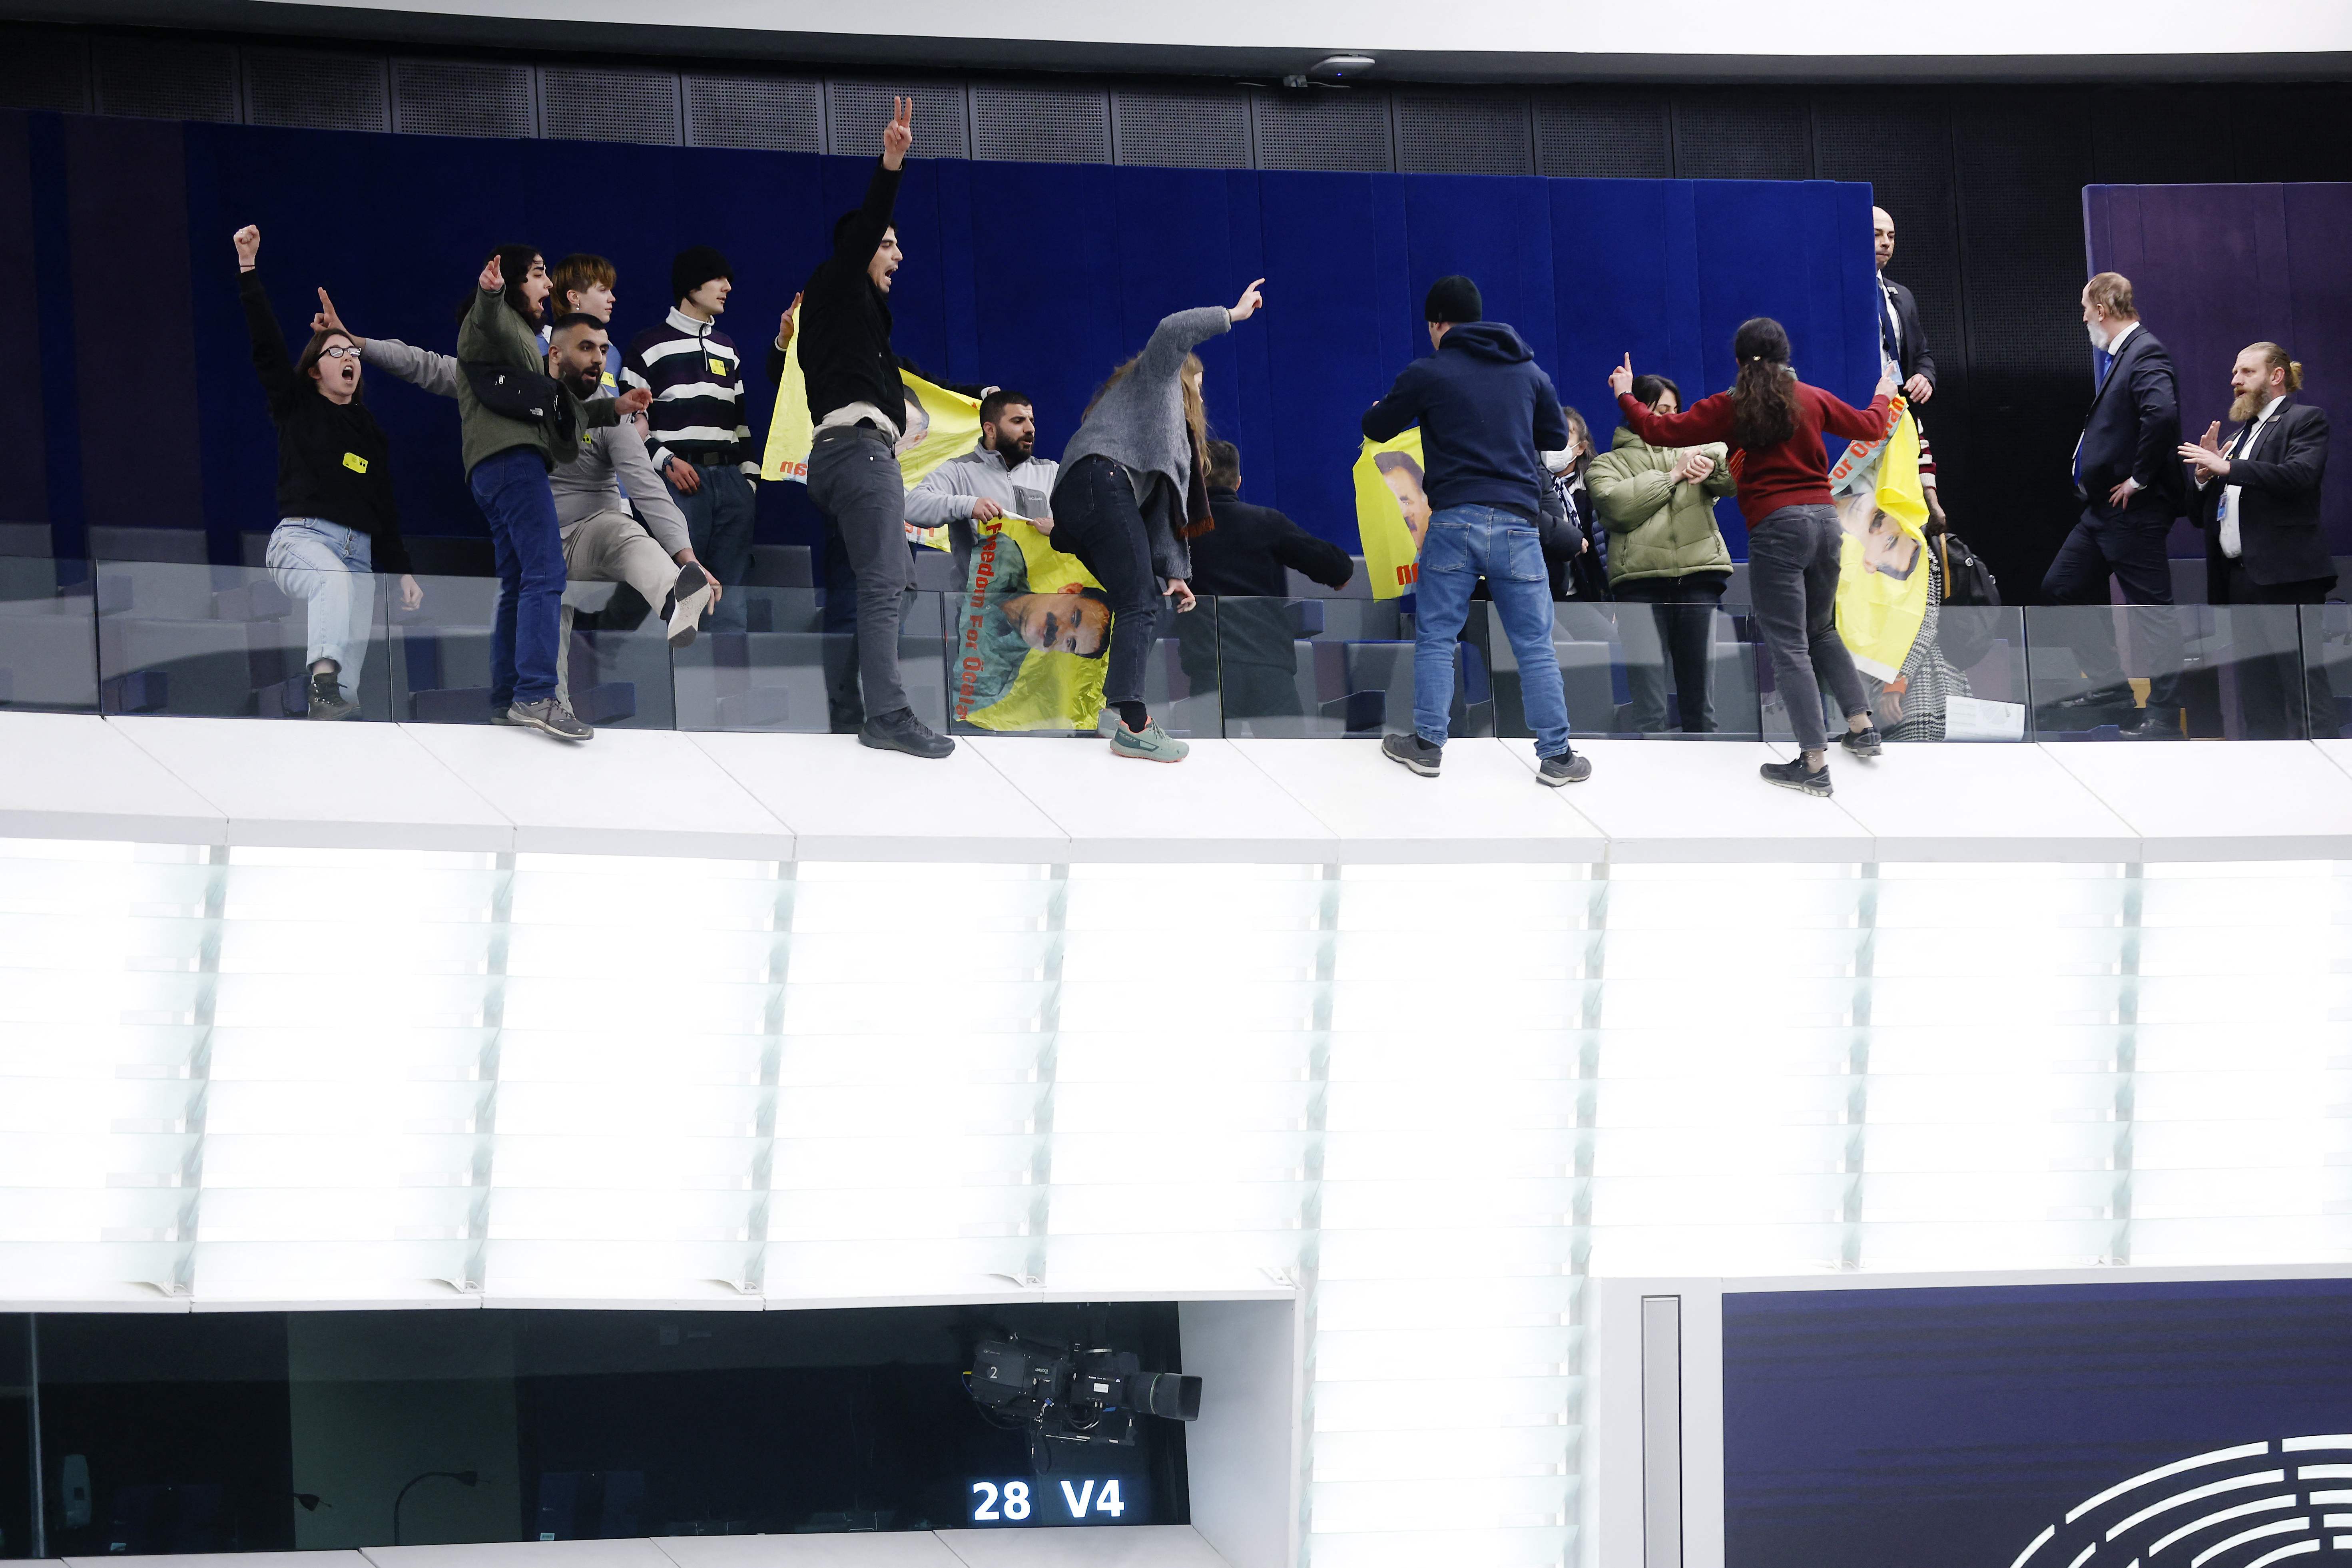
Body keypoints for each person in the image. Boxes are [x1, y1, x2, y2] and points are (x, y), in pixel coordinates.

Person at [325, 297, 722, 700]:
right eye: (586, 348)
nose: (598, 360)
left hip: (594, 539)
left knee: (624, 532)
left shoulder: (609, 410)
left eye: (604, 350)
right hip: (540, 546)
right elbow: (426, 365)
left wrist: (688, 559)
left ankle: (676, 596)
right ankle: (549, 706)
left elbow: (647, 489)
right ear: (555, 353)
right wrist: (357, 343)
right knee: (544, 612)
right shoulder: (509, 391)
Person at [1611, 317, 1896, 795]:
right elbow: (1871, 425)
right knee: (1822, 629)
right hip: (1825, 523)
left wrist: (1626, 393)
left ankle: (1813, 763)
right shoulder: (1811, 397)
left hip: (1777, 527)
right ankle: (1862, 727)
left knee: (1789, 645)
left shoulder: (1731, 406)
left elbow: (1657, 430)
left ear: (1739, 359)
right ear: (1786, 355)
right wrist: (1883, 393)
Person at [1368, 274, 1586, 785]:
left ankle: (1427, 746)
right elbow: (1554, 434)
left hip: (1453, 522)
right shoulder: (1528, 372)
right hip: (1517, 525)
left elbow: (1377, 428)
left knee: (1436, 636)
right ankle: (1557, 758)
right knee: (1534, 644)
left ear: (1436, 324)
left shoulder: (1429, 372)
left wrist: (1387, 410)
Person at [797, 97, 955, 759]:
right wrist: (891, 164)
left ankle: (849, 703)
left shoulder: (853, 323)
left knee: (896, 583)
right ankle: (885, 714)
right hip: (858, 457)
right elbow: (863, 231)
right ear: (857, 251)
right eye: (887, 244)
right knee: (886, 584)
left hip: (851, 457)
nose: (899, 254)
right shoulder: (836, 283)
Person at [1050, 281, 1264, 761]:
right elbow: (1171, 330)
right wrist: (1233, 314)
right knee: (1139, 601)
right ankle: (1132, 723)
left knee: (1144, 594)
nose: (1201, 396)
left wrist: (1172, 572)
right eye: (1199, 384)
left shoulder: (1155, 430)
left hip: (1085, 498)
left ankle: (1114, 711)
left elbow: (1155, 511)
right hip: (1099, 480)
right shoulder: (1157, 377)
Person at [457, 245, 650, 740]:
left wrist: (612, 408)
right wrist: (489, 293)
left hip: (496, 468)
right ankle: (537, 693)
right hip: (514, 463)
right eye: (539, 275)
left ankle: (508, 698)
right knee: (547, 572)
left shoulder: (521, 338)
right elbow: (484, 320)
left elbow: (552, 404)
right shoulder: (498, 322)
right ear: (512, 281)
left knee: (518, 581)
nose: (548, 286)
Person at [232, 223, 421, 721]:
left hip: (360, 554)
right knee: (331, 585)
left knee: (348, 686)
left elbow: (383, 505)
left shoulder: (368, 431)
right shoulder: (296, 405)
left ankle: (332, 714)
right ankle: (318, 682)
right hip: (302, 539)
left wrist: (402, 569)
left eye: (354, 353)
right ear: (315, 368)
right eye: (336, 352)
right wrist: (248, 270)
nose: (349, 358)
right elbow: (267, 348)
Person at [2041, 271, 2186, 739]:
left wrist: (2139, 478)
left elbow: (2161, 414)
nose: (2083, 318)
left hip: (2133, 511)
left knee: (2152, 613)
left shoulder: (2144, 351)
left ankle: (2163, 717)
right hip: (2101, 511)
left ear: (2101, 309)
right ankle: (2112, 691)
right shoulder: (2123, 354)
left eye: (2085, 309)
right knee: (2061, 586)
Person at [2180, 341, 2335, 739]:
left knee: (2302, 684)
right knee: (2257, 692)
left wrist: (2227, 468)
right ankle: (2269, 769)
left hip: (2286, 577)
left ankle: (2324, 769)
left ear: (2276, 376)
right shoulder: (2237, 438)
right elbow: (2200, 518)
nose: (2236, 380)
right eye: (2235, 373)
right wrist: (2203, 478)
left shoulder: (2303, 420)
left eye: (2247, 372)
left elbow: (2300, 476)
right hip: (2239, 579)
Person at [1588, 373, 1736, 734]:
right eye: (1660, 410)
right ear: (1637, 411)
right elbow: (1616, 507)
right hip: (1639, 587)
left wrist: (1710, 462)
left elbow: (1733, 472)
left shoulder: (1696, 448)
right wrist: (1672, 476)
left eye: (1675, 410)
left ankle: (1705, 766)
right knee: (1649, 708)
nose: (1670, 418)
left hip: (1699, 579)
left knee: (1701, 707)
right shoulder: (1605, 464)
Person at [623, 247, 755, 633]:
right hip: (678, 483)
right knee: (679, 599)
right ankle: (668, 668)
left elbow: (741, 422)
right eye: (718, 278)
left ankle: (726, 674)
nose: (728, 287)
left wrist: (748, 483)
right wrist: (665, 461)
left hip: (730, 484)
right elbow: (626, 424)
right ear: (691, 285)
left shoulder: (728, 347)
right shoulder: (647, 346)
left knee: (730, 606)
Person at [1176, 439, 1355, 724]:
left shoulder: (1181, 533)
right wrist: (1337, 577)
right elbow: (1340, 570)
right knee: (1285, 752)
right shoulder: (1267, 522)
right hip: (1270, 669)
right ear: (1238, 482)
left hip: (1212, 669)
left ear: (1194, 482)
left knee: (1211, 754)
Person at [908, 389, 1062, 578]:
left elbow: (1089, 523)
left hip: (1047, 594)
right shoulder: (960, 471)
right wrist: (968, 505)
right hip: (981, 596)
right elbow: (912, 507)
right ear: (990, 430)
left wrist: (1061, 531)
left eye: (1031, 420)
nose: (1030, 429)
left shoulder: (1052, 471)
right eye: (1018, 421)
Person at [1871, 207, 1936, 408]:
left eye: (1891, 236)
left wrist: (1925, 376)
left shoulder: (1903, 295)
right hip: (1859, 409)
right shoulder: (1837, 296)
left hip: (1901, 407)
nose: (1886, 243)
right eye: (1876, 234)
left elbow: (1922, 354)